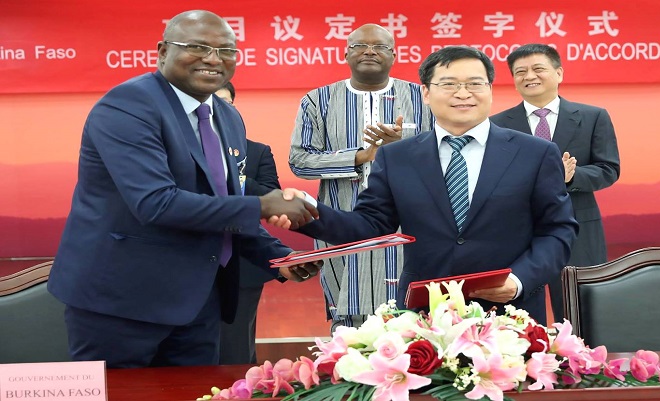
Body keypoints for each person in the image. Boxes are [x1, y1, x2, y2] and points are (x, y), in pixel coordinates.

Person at [47, 10, 321, 368]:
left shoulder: (227, 115)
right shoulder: (128, 106)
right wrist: (262, 205)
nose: (213, 59)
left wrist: (278, 258)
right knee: (122, 393)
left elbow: (223, 202)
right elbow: (155, 203)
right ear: (163, 51)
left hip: (199, 302)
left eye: (226, 50)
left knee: (195, 391)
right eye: (198, 47)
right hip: (122, 301)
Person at [277, 46, 578, 325]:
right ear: (425, 93)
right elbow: (369, 225)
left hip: (511, 316)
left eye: (475, 83)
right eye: (449, 84)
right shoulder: (397, 156)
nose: (463, 93)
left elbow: (557, 230)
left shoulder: (535, 153)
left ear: (490, 89)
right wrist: (308, 211)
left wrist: (519, 280)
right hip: (424, 318)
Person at [288, 23, 433, 329]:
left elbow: (445, 155)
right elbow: (300, 161)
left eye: (379, 46)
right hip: (340, 216)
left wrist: (402, 149)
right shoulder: (318, 100)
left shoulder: (422, 98)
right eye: (359, 46)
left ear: (394, 55)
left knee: (412, 315)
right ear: (345, 54)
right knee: (347, 320)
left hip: (409, 219)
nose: (369, 51)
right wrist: (360, 156)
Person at [490, 44, 620, 322]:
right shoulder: (496, 125)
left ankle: (581, 353)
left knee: (580, 311)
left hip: (577, 228)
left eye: (538, 69)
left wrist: (572, 176)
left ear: (558, 73)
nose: (529, 76)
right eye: (520, 72)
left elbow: (609, 169)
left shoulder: (592, 117)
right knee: (518, 315)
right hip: (517, 231)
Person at [215, 82, 281, 364]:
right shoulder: (177, 149)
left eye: (225, 103)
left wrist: (234, 178)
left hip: (243, 261)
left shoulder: (256, 151)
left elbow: (272, 197)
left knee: (236, 349)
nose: (218, 109)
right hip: (188, 265)